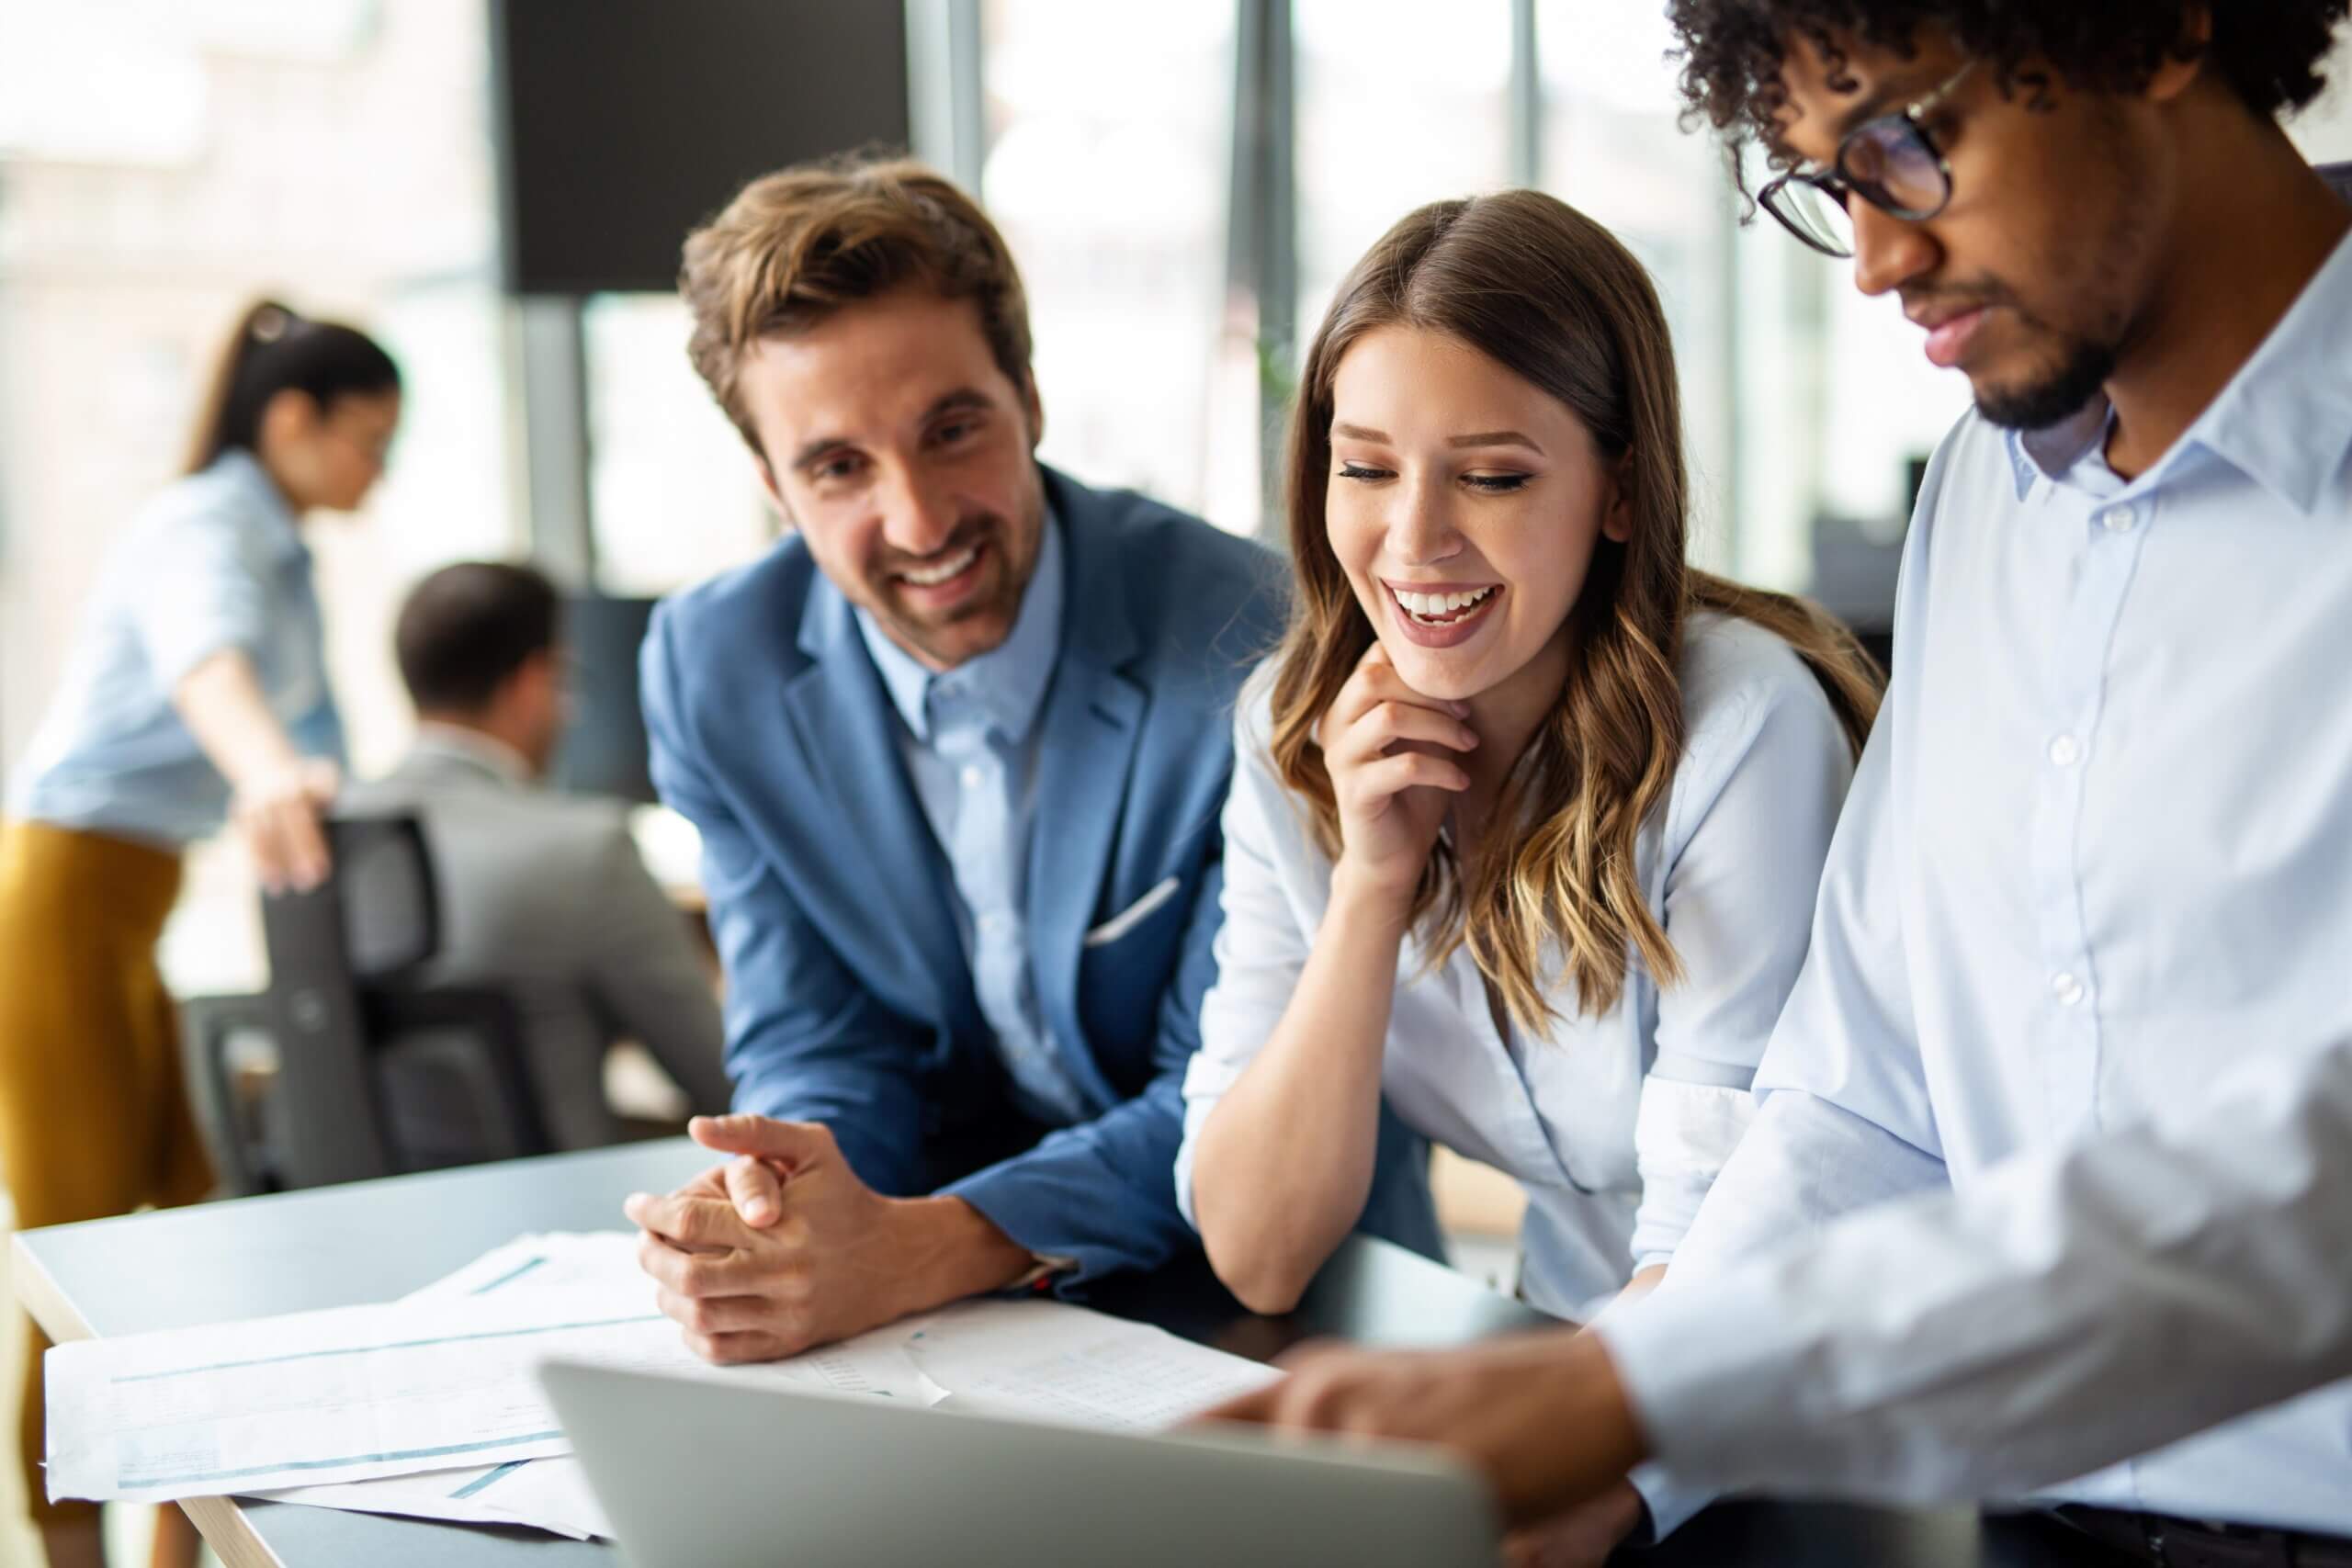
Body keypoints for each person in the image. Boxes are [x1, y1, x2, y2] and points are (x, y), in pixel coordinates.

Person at [1211, 4, 2352, 1563]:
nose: (1876, 259)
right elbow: (1863, 1091)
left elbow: (2320, 1183)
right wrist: (1624, 1454)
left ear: (2152, 30)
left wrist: (1634, 1393)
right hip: (2040, 1516)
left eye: (1902, 143)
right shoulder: (1991, 496)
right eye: (1826, 183)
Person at [621, 156, 1430, 1365]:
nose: (921, 519)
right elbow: (821, 1035)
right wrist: (785, 1200)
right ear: (772, 483)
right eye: (838, 466)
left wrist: (923, 1244)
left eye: (952, 430)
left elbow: (1224, 1100)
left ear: (1031, 398)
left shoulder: (1258, 643)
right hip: (951, 1332)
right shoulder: (712, 666)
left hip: (1291, 1300)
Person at [1178, 188, 1875, 1562]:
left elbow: (1728, 1220)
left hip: (1780, 1403)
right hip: (1553, 1356)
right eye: (1364, 466)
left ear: (1619, 486)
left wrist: (1600, 1477)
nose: (1413, 537)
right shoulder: (1288, 731)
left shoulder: (1743, 725)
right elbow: (1255, 1247)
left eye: (1491, 476)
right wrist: (1372, 889)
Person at [0, 299, 398, 1568]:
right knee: (79, 1251)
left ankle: (183, 1543)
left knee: (194, 1219)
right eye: (366, 439)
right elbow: (204, 665)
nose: (376, 470)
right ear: (292, 420)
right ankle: (67, 1545)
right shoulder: (205, 525)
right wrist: (268, 769)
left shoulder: (286, 554)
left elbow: (333, 752)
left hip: (136, 902)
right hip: (58, 890)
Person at [340, 561, 730, 1164]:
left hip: (367, 1225)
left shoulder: (324, 842)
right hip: (558, 1222)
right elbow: (721, 1082)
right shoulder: (586, 850)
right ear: (532, 682)